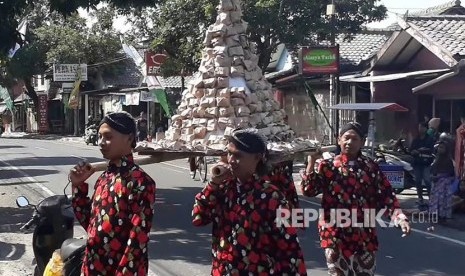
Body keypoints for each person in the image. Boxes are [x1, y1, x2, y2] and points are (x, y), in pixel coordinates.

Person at [192, 128, 307, 275]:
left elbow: (289, 251)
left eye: (238, 155)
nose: (231, 160)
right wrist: (212, 184)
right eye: (229, 153)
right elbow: (198, 218)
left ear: (257, 157)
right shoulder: (222, 188)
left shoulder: (272, 197)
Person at [301, 122, 411, 276]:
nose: (349, 142)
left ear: (362, 142)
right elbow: (308, 190)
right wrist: (311, 162)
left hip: (364, 238)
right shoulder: (328, 166)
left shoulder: (370, 167)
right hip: (335, 236)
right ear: (339, 139)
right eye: (346, 138)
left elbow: (386, 195)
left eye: (354, 139)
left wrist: (399, 217)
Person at [70, 111, 156, 276]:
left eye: (108, 137)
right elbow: (91, 225)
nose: (102, 143)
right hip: (92, 267)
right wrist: (78, 186)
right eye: (100, 137)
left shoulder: (140, 182)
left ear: (129, 138)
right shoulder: (104, 178)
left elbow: (137, 241)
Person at [430, 140, 455, 222]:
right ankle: (435, 214)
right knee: (435, 198)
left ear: (446, 149)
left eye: (442, 148)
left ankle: (443, 215)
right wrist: (433, 176)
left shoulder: (448, 160)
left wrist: (441, 177)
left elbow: (451, 173)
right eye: (439, 147)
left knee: (442, 199)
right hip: (436, 181)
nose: (440, 149)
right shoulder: (436, 159)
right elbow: (432, 170)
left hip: (445, 183)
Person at [410, 122, 435, 205]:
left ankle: (431, 198)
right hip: (417, 163)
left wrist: (421, 150)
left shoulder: (430, 139)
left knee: (427, 181)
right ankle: (420, 198)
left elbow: (431, 150)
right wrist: (413, 152)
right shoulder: (416, 139)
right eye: (419, 127)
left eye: (422, 127)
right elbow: (411, 149)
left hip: (426, 163)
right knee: (418, 181)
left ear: (426, 128)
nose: (420, 129)